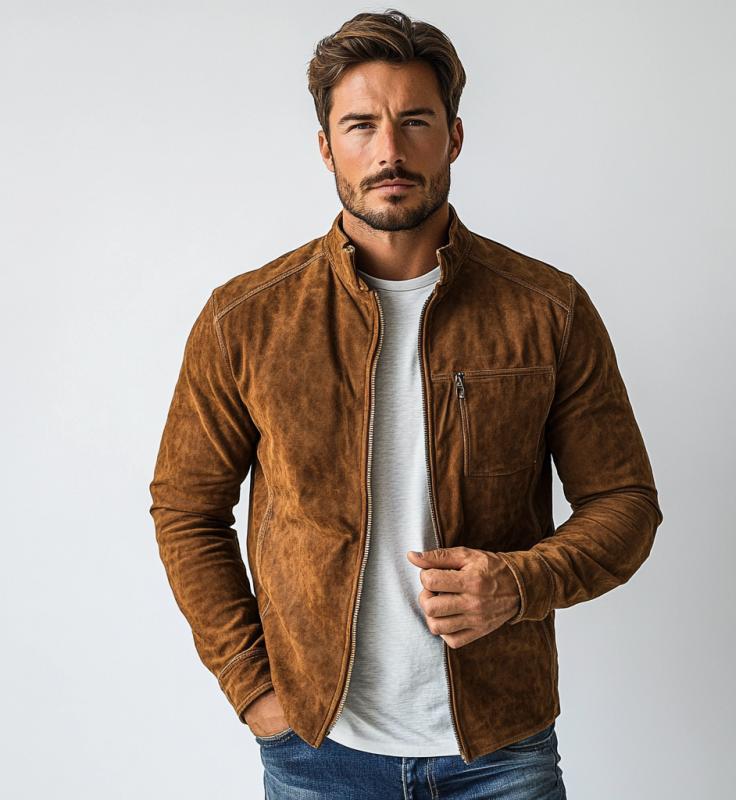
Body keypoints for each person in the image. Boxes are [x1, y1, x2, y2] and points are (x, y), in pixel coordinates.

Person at [148, 8, 663, 799]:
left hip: (502, 748)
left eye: (414, 121)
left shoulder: (546, 309)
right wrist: (254, 689)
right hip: (318, 753)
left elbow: (624, 502)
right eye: (360, 126)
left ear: (453, 137)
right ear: (327, 147)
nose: (389, 150)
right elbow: (186, 509)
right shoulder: (246, 319)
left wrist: (520, 582)